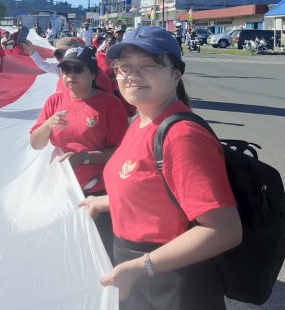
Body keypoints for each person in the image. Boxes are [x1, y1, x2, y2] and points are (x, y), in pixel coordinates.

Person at [81, 27, 241, 309]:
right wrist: (102, 202)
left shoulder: (182, 136)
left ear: (176, 75)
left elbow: (224, 230)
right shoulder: (140, 121)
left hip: (171, 282)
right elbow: (147, 189)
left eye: (148, 66)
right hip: (138, 270)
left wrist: (141, 267)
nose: (132, 75)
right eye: (124, 67)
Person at [30, 46, 128, 258]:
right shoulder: (54, 101)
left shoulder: (110, 105)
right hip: (60, 192)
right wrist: (48, 124)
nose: (71, 74)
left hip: (98, 195)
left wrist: (84, 158)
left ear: (92, 74)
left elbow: (122, 153)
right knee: (63, 254)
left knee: (99, 255)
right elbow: (35, 144)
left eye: (78, 69)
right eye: (66, 69)